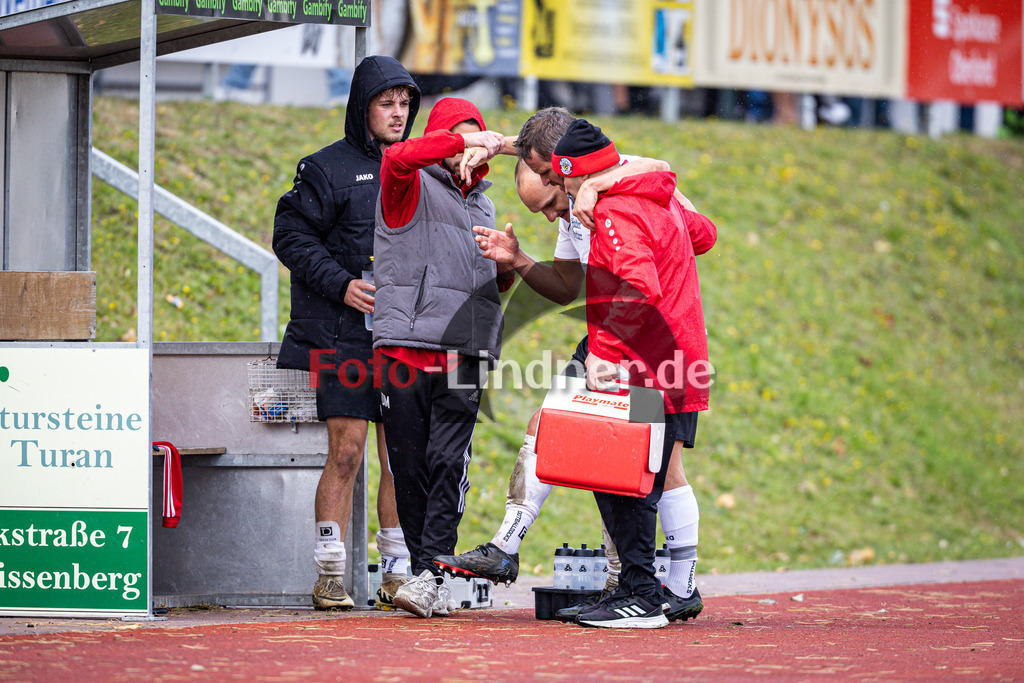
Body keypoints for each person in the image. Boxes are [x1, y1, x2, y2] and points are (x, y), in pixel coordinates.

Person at [433, 107, 714, 625]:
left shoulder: (612, 201)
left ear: (563, 169)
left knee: (635, 468)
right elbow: (573, 283)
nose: (551, 217)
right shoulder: (583, 202)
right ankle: (660, 584)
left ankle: (650, 588)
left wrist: (627, 196)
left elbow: (685, 241)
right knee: (593, 446)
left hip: (642, 344)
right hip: (633, 335)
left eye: (549, 195)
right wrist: (518, 257)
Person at [545, 118, 711, 628]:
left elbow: (637, 288)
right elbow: (702, 234)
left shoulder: (614, 212)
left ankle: (638, 593)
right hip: (678, 357)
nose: (563, 192)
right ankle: (647, 590)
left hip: (644, 360)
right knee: (639, 477)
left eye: (561, 181)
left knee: (620, 477)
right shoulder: (657, 197)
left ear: (575, 174)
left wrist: (604, 351)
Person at [272, 55, 421, 611]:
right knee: (347, 454)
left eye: (406, 104)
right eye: (387, 103)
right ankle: (330, 574)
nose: (398, 114)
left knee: (400, 456)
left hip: (404, 335)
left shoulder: (419, 169)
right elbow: (288, 237)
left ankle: (397, 576)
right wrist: (342, 285)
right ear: (363, 107)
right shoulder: (325, 167)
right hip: (343, 334)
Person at [373, 97, 514, 618]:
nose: (474, 152)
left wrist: (506, 267)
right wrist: (468, 138)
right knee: (407, 467)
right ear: (441, 137)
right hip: (405, 342)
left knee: (446, 462)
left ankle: (431, 575)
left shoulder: (486, 204)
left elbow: (481, 279)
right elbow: (398, 157)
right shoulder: (406, 180)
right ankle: (421, 566)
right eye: (461, 138)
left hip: (466, 350)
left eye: (479, 140)